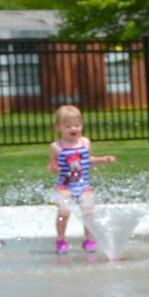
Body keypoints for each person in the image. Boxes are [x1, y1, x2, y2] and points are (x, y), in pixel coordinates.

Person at [47, 105, 116, 255]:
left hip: (84, 185)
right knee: (64, 213)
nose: (73, 129)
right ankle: (61, 239)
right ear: (58, 127)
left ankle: (89, 239)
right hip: (65, 186)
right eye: (68, 126)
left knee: (89, 213)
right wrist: (53, 168)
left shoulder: (85, 142)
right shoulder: (56, 146)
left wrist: (103, 159)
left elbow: (89, 160)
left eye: (77, 125)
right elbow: (51, 166)